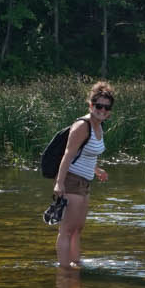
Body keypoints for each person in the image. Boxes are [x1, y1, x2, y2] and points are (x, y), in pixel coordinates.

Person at [51, 80, 113, 270]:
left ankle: (76, 264)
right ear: (91, 105)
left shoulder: (98, 126)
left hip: (84, 182)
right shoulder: (82, 126)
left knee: (78, 229)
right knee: (67, 230)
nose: (102, 110)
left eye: (106, 107)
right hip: (71, 181)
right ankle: (64, 271)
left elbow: (85, 153)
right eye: (98, 106)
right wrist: (59, 184)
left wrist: (96, 169)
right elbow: (67, 155)